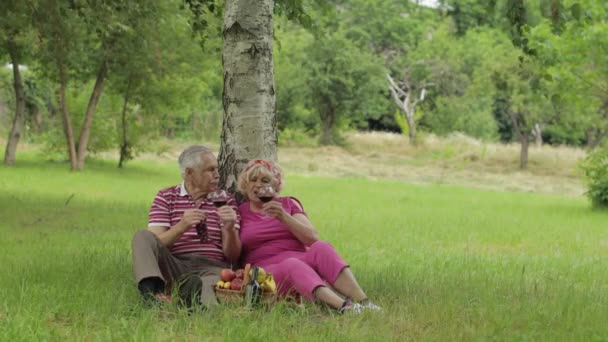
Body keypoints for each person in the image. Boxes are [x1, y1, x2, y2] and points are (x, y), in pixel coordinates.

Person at [237, 159, 381, 314]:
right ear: (245, 185)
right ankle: (345, 308)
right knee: (292, 264)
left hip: (302, 261)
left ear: (275, 186)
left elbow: (312, 238)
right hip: (266, 273)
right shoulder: (240, 212)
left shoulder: (288, 204)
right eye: (253, 180)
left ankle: (365, 303)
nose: (258, 185)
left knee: (322, 246)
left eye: (265, 181)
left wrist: (283, 216)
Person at [131, 145, 240, 307]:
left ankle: (190, 300)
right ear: (189, 173)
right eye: (210, 170)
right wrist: (181, 226)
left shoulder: (226, 200)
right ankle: (150, 295)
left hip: (212, 267)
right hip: (175, 264)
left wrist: (230, 229)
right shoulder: (166, 197)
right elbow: (155, 242)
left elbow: (233, 256)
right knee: (142, 237)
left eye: (217, 169)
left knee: (209, 297)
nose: (217, 175)